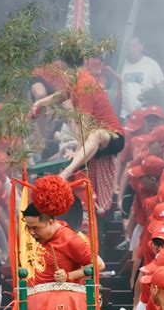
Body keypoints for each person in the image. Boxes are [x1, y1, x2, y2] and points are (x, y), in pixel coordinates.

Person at [30, 48, 124, 212]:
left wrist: (76, 155)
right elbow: (62, 95)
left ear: (67, 66)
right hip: (92, 142)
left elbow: (85, 129)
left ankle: (66, 173)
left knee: (94, 135)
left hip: (112, 137)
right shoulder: (76, 80)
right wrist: (39, 103)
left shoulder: (85, 84)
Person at [22, 202, 104, 285]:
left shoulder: (70, 239)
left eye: (35, 228)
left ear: (50, 222)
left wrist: (68, 276)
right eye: (28, 228)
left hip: (60, 295)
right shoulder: (37, 236)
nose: (31, 232)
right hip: (34, 293)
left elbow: (99, 265)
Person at [120, 36, 164, 118]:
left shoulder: (152, 64)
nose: (131, 50)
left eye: (134, 46)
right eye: (129, 46)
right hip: (126, 117)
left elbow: (162, 91)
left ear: (141, 47)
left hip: (147, 118)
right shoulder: (121, 65)